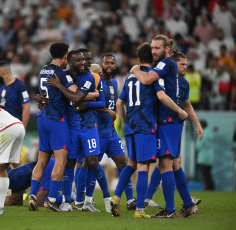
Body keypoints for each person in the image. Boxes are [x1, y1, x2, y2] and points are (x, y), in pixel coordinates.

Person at [111, 42, 188, 218]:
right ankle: (139, 209)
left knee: (131, 163)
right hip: (145, 126)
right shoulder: (153, 78)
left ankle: (116, 196)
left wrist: (125, 122)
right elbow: (161, 96)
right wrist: (179, 111)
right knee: (143, 166)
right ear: (152, 60)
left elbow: (118, 103)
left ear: (138, 59)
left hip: (130, 125)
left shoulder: (130, 78)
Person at [131, 35, 203, 218]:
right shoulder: (172, 73)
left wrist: (134, 69)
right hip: (173, 122)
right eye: (152, 48)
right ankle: (187, 203)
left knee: (165, 165)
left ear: (167, 49)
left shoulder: (164, 64)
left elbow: (147, 81)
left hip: (167, 121)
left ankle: (170, 209)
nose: (153, 51)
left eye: (157, 48)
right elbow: (185, 104)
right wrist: (195, 122)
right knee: (175, 164)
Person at [47, 50, 112, 213]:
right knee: (69, 162)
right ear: (70, 62)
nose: (83, 63)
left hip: (89, 127)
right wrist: (41, 98)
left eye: (85, 60)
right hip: (70, 127)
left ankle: (107, 198)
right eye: (79, 60)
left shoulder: (90, 77)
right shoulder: (64, 75)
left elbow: (76, 97)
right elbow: (54, 93)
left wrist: (60, 86)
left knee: (93, 162)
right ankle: (68, 201)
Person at [74, 53, 135, 213]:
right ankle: (83, 200)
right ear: (101, 66)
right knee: (90, 165)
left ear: (115, 65)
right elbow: (87, 102)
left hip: (111, 133)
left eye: (112, 63)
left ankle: (130, 200)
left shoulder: (114, 83)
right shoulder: (95, 82)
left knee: (124, 163)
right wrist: (107, 110)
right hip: (97, 131)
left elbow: (113, 104)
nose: (109, 65)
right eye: (106, 63)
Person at [29, 42, 73, 212]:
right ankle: (51, 199)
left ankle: (33, 195)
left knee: (41, 161)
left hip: (42, 118)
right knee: (61, 159)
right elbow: (75, 93)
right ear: (65, 56)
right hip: (57, 119)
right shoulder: (61, 74)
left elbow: (38, 92)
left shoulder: (43, 71)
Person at [0, 61, 30, 129]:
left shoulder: (20, 86)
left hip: (15, 126)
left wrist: (23, 128)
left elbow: (26, 107)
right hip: (2, 126)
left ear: (2, 72)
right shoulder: (1, 87)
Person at [196, 120, 214, 190]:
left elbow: (198, 146)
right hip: (210, 158)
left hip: (203, 158)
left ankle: (208, 188)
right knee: (208, 175)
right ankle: (211, 188)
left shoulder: (203, 133)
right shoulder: (210, 133)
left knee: (205, 175)